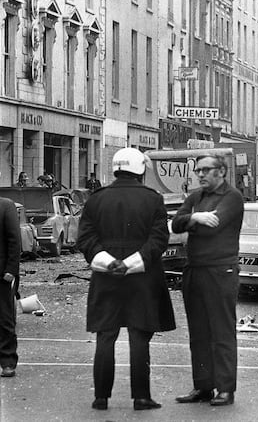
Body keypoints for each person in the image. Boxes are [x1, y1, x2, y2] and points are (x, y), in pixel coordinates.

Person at [76, 148, 175, 410]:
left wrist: (109, 262)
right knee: (139, 336)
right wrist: (132, 263)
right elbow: (159, 240)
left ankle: (101, 397)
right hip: (143, 277)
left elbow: (85, 239)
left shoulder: (96, 200)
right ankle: (141, 396)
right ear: (140, 169)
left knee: (105, 336)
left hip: (105, 276)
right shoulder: (153, 199)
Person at [172, 154, 244, 405]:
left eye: (205, 170)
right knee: (198, 332)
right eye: (198, 170)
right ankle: (203, 386)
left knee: (221, 331)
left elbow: (214, 225)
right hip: (195, 270)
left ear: (221, 172)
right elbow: (176, 224)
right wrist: (196, 217)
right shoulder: (195, 197)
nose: (200, 174)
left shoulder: (232, 197)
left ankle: (225, 388)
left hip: (220, 271)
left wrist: (192, 221)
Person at [0, 192, 21, 379]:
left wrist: (11, 269)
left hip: (2, 276)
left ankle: (7, 362)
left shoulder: (6, 206)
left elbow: (15, 239)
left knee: (5, 319)